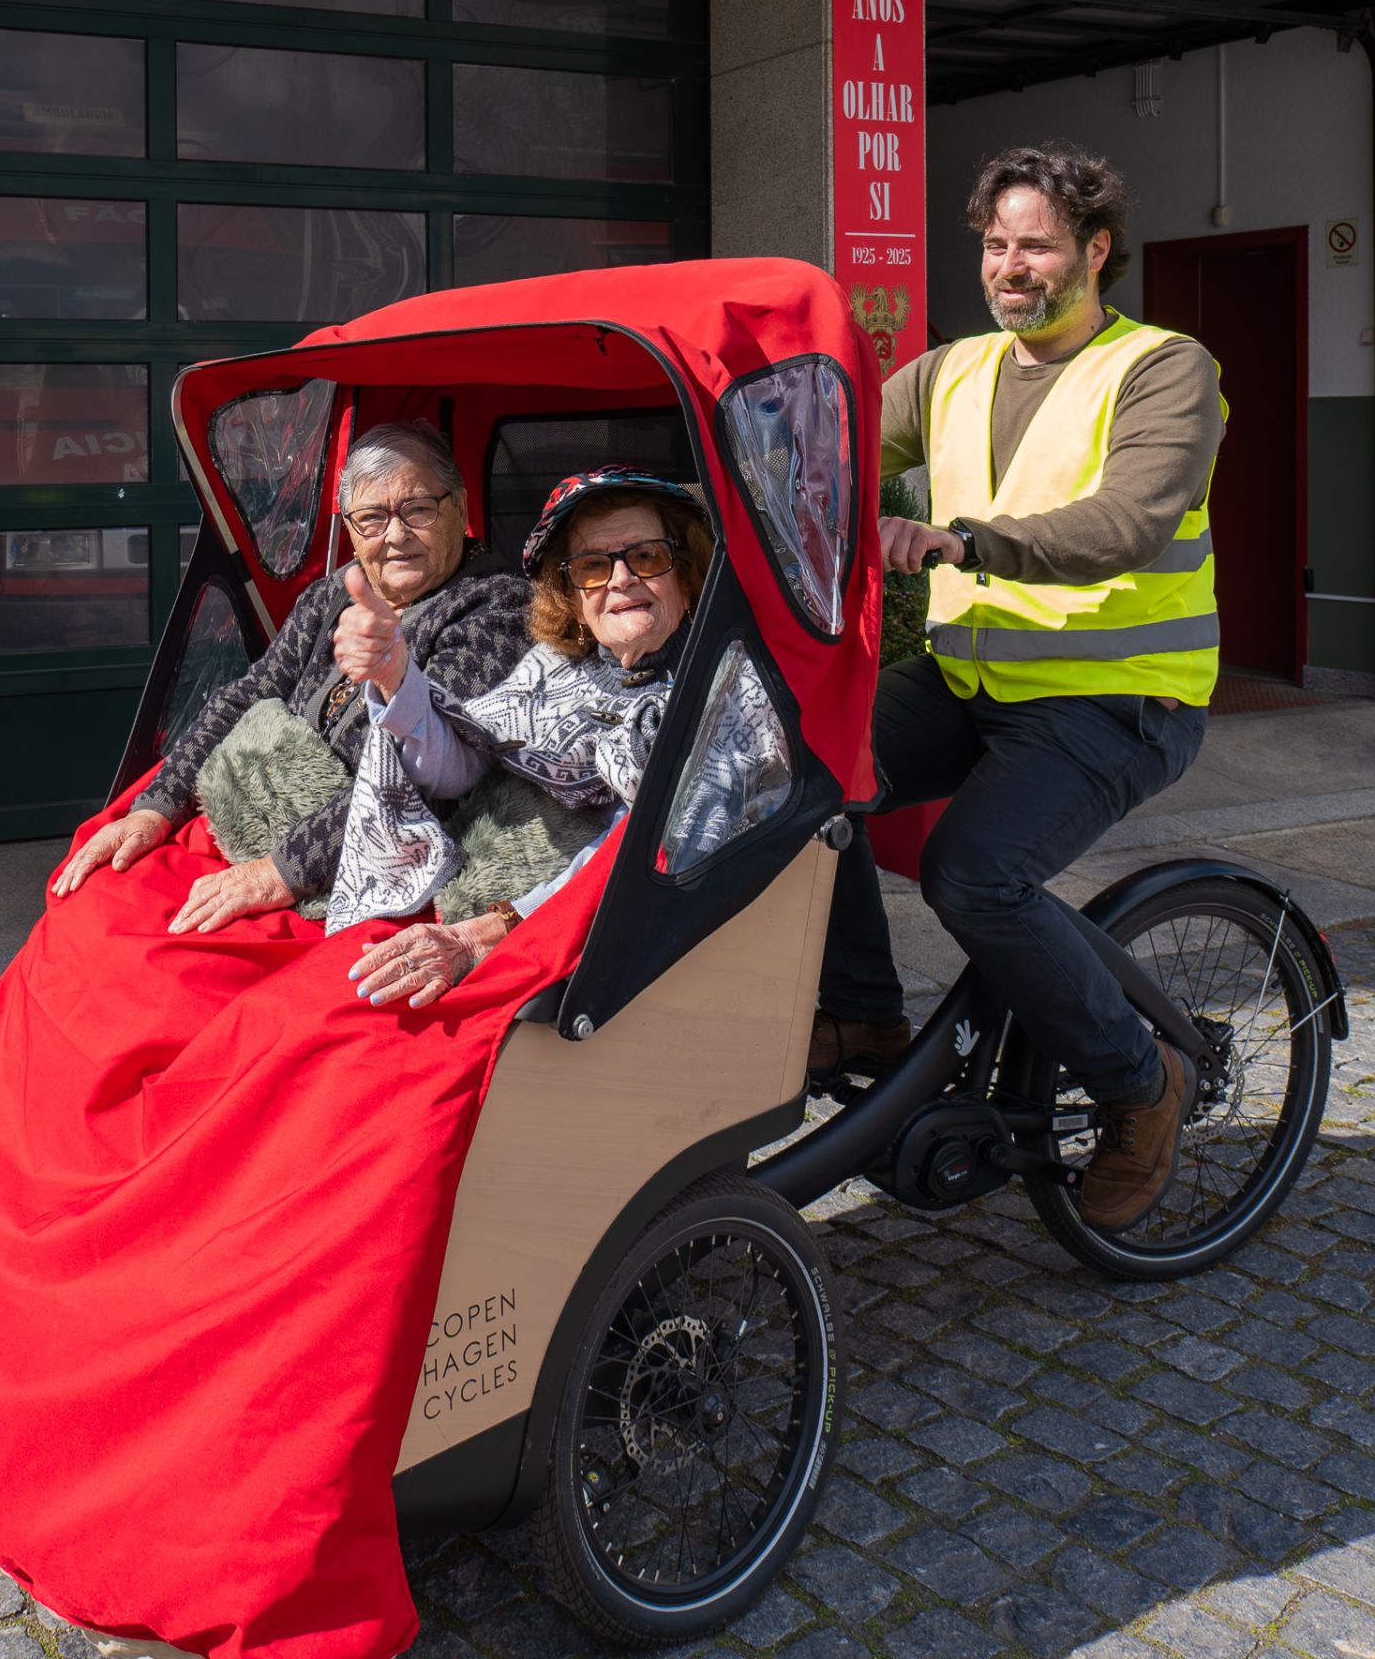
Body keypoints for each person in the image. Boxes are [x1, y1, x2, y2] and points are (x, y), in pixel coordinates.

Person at [816, 141, 1225, 1234]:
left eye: (1035, 244)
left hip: (1119, 698)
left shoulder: (1163, 368)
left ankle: (1143, 1084)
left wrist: (962, 542)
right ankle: (862, 1020)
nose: (1010, 265)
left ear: (1095, 250)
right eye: (996, 245)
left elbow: (1130, 518)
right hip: (971, 677)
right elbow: (833, 439)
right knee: (805, 781)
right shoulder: (952, 370)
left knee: (976, 874)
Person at [328, 463, 788, 1003]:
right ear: (570, 598)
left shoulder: (730, 684)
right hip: (532, 928)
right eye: (593, 566)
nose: (620, 580)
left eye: (646, 557)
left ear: (684, 574)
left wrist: (488, 931)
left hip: (625, 964)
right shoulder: (554, 669)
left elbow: (664, 846)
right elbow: (460, 765)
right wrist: (396, 677)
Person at [51, 420, 528, 931]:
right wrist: (158, 807)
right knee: (98, 899)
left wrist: (279, 872)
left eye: (417, 509)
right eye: (371, 518)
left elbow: (428, 781)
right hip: (250, 822)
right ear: (349, 528)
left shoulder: (497, 609)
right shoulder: (333, 594)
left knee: (161, 960)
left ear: (458, 507)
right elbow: (249, 694)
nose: (395, 536)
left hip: (364, 865)